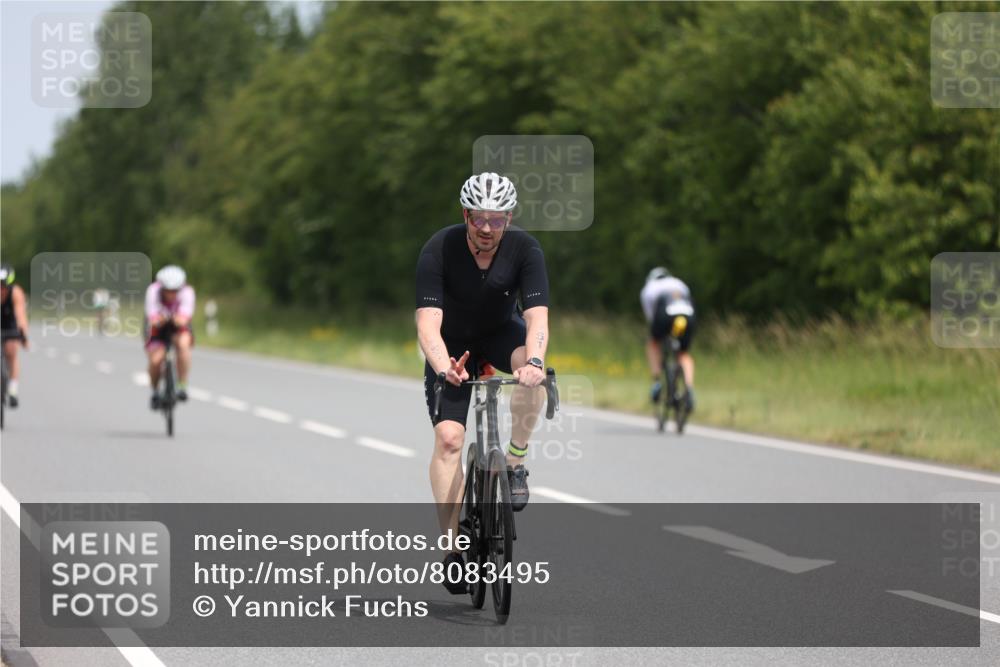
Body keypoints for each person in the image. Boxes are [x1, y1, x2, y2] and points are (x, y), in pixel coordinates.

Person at [415, 172, 550, 593]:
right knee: (449, 440)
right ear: (465, 215)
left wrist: (535, 362)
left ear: (509, 217)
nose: (487, 228)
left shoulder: (525, 249)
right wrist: (445, 368)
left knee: (534, 378)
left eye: (496, 219)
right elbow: (427, 324)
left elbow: (537, 318)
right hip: (451, 347)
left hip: (499, 335)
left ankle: (514, 463)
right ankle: (451, 550)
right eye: (479, 219)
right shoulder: (439, 248)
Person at [641, 266, 696, 412]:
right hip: (687, 315)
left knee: (653, 343)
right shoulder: (679, 283)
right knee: (683, 353)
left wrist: (657, 334)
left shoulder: (649, 288)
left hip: (665, 314)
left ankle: (657, 382)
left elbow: (651, 317)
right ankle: (689, 388)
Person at [145, 265, 195, 408]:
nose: (171, 293)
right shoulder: (153, 291)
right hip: (158, 328)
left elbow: (185, 317)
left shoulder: (187, 292)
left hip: (178, 327)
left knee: (184, 345)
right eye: (168, 290)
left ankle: (182, 385)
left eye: (175, 290)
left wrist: (178, 319)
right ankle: (155, 391)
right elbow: (152, 316)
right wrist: (158, 320)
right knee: (155, 361)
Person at [1, 264, 29, 408]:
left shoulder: (16, 293)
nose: (1, 289)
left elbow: (20, 316)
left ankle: (12, 389)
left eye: (3, 286)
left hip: (10, 323)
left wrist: (23, 335)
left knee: (11, 351)